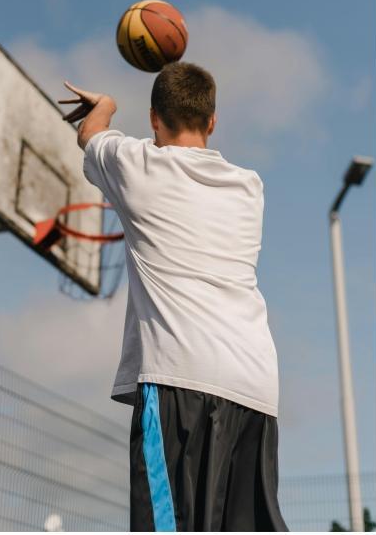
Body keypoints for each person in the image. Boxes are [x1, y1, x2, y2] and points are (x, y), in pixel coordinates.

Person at [59, 62, 288, 532]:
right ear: (212, 122)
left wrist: (105, 106)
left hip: (180, 379)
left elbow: (91, 134)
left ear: (153, 119)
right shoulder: (249, 188)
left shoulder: (137, 167)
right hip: (256, 389)